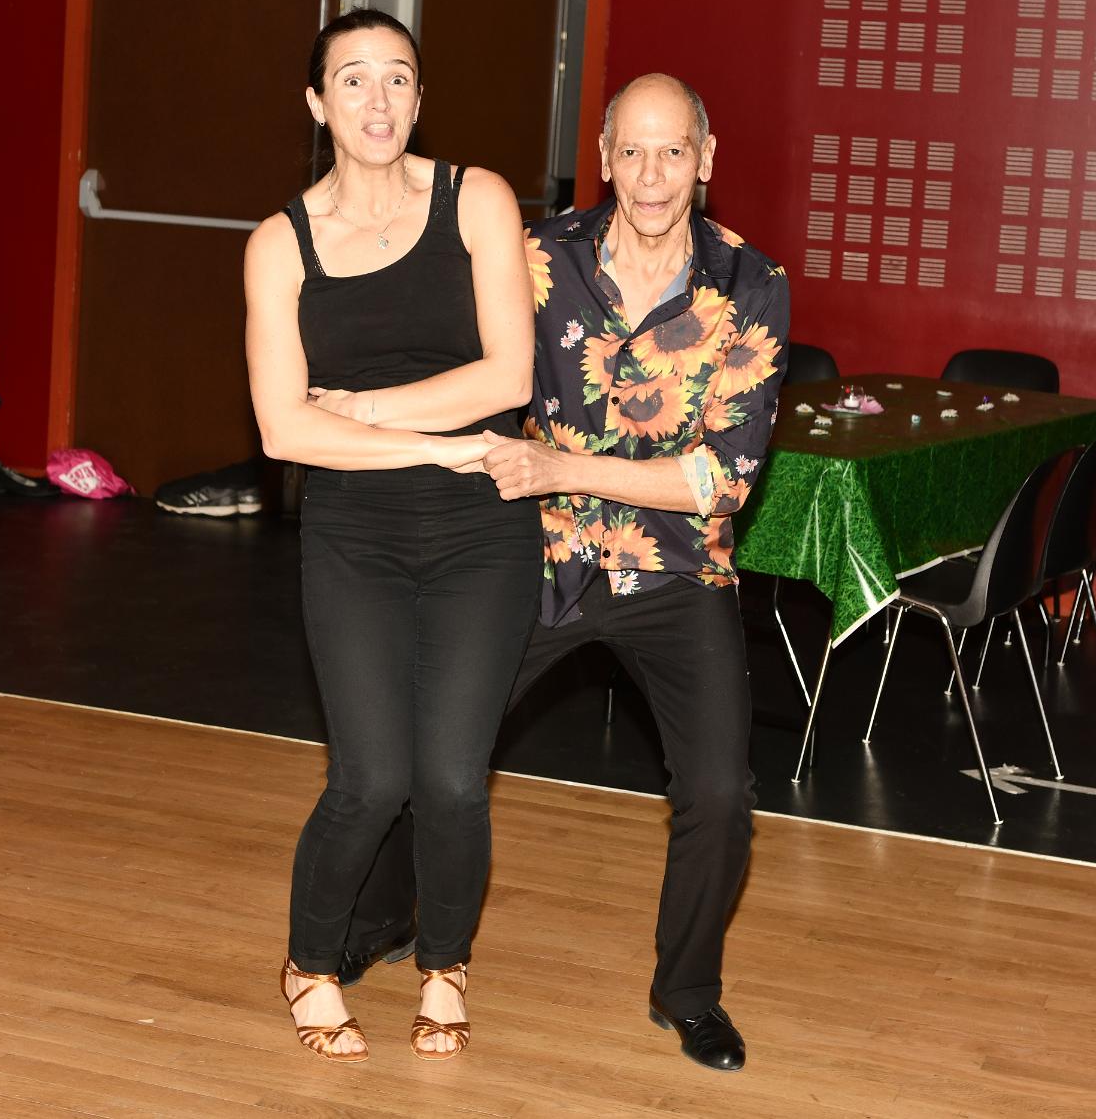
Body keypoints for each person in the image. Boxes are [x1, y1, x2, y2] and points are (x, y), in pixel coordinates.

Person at [338, 73, 790, 1071]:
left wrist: (560, 467)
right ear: (603, 157)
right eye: (632, 151)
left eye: (673, 151)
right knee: (429, 748)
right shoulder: (537, 257)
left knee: (719, 792)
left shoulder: (750, 285)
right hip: (529, 558)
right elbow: (447, 353)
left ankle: (687, 992)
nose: (652, 175)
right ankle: (383, 916)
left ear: (706, 159)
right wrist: (355, 404)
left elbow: (722, 481)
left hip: (676, 572)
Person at [243, 8, 541, 1063]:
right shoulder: (279, 244)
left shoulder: (477, 199)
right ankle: (309, 963)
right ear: (317, 103)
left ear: (420, 96)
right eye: (354, 79)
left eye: (399, 78)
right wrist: (432, 445)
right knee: (370, 778)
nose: (378, 99)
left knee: (452, 780)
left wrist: (364, 413)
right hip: (354, 532)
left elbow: (509, 376)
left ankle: (445, 964)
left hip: (481, 530)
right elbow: (284, 431)